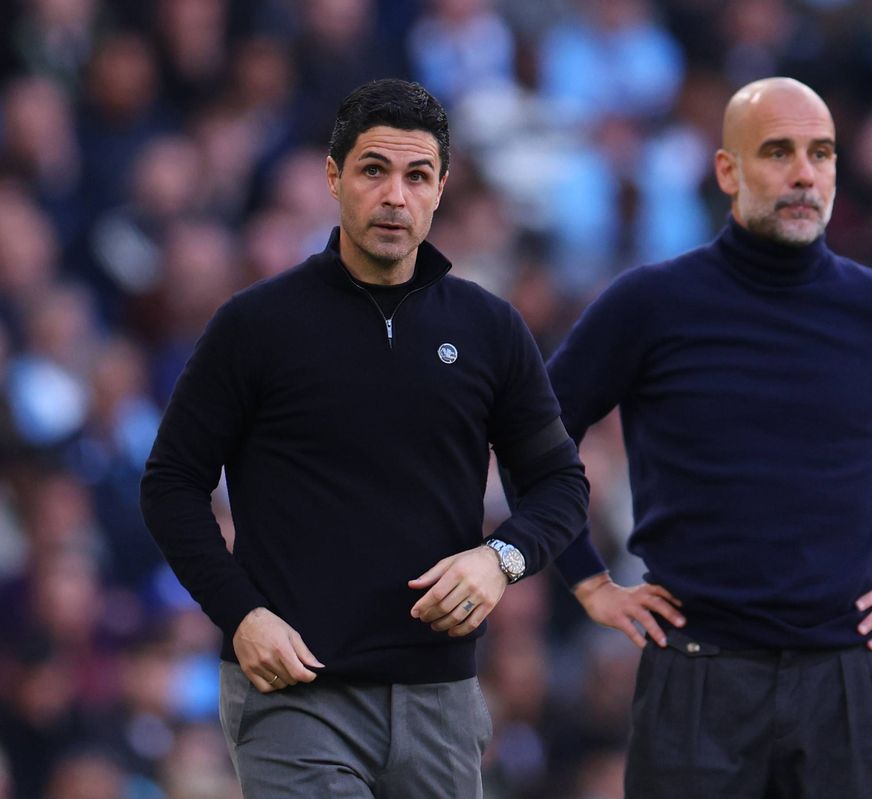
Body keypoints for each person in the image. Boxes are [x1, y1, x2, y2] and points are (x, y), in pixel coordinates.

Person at [546, 77, 872, 798]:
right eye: (778, 152)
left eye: (822, 153)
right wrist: (586, 578)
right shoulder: (651, 303)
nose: (805, 173)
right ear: (727, 171)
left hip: (847, 678)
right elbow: (535, 433)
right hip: (696, 677)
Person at [140, 79, 589, 798]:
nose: (394, 196)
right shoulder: (256, 326)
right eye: (373, 170)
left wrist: (499, 559)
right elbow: (170, 483)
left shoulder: (490, 329)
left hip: (439, 700)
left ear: (441, 188)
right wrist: (242, 613)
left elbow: (562, 485)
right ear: (333, 177)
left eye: (417, 176)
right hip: (294, 689)